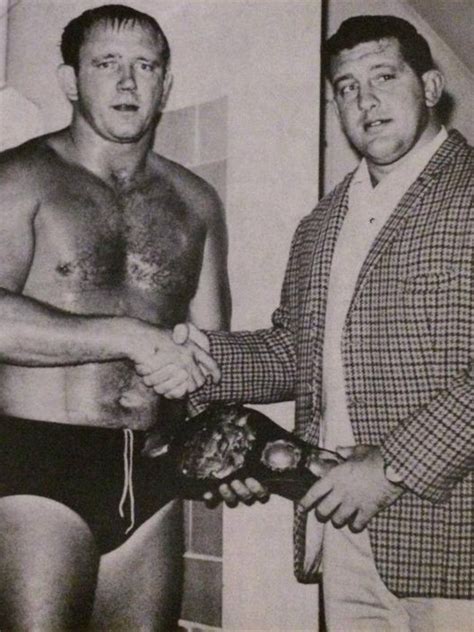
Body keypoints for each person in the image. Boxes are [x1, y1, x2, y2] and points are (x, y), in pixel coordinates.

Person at [150, 15, 473, 632]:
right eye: (347, 87)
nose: (366, 100)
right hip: (340, 532)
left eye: (384, 76)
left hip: (458, 536)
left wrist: (389, 467)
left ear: (430, 87)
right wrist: (193, 354)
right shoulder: (320, 226)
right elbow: (293, 351)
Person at [0, 4, 230, 631]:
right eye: (107, 64)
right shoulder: (20, 178)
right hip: (39, 461)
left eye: (145, 66)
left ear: (166, 84)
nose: (128, 83)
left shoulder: (196, 202)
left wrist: (224, 448)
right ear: (71, 81)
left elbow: (212, 351)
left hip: (152, 468)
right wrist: (127, 336)